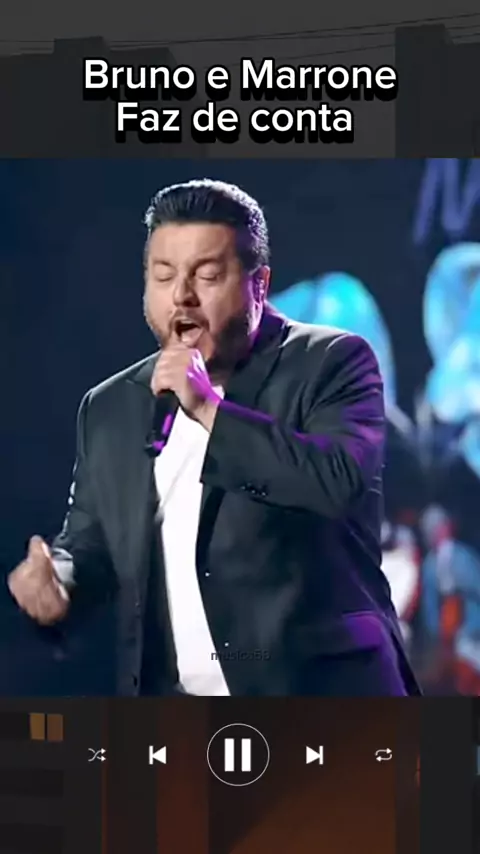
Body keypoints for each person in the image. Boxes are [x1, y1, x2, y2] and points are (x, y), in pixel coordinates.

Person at [8, 178, 420, 696]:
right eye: (163, 275)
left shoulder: (332, 363)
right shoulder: (110, 405)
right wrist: (60, 582)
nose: (181, 295)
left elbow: (335, 483)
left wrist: (209, 409)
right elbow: (91, 541)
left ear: (259, 285)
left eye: (206, 275)